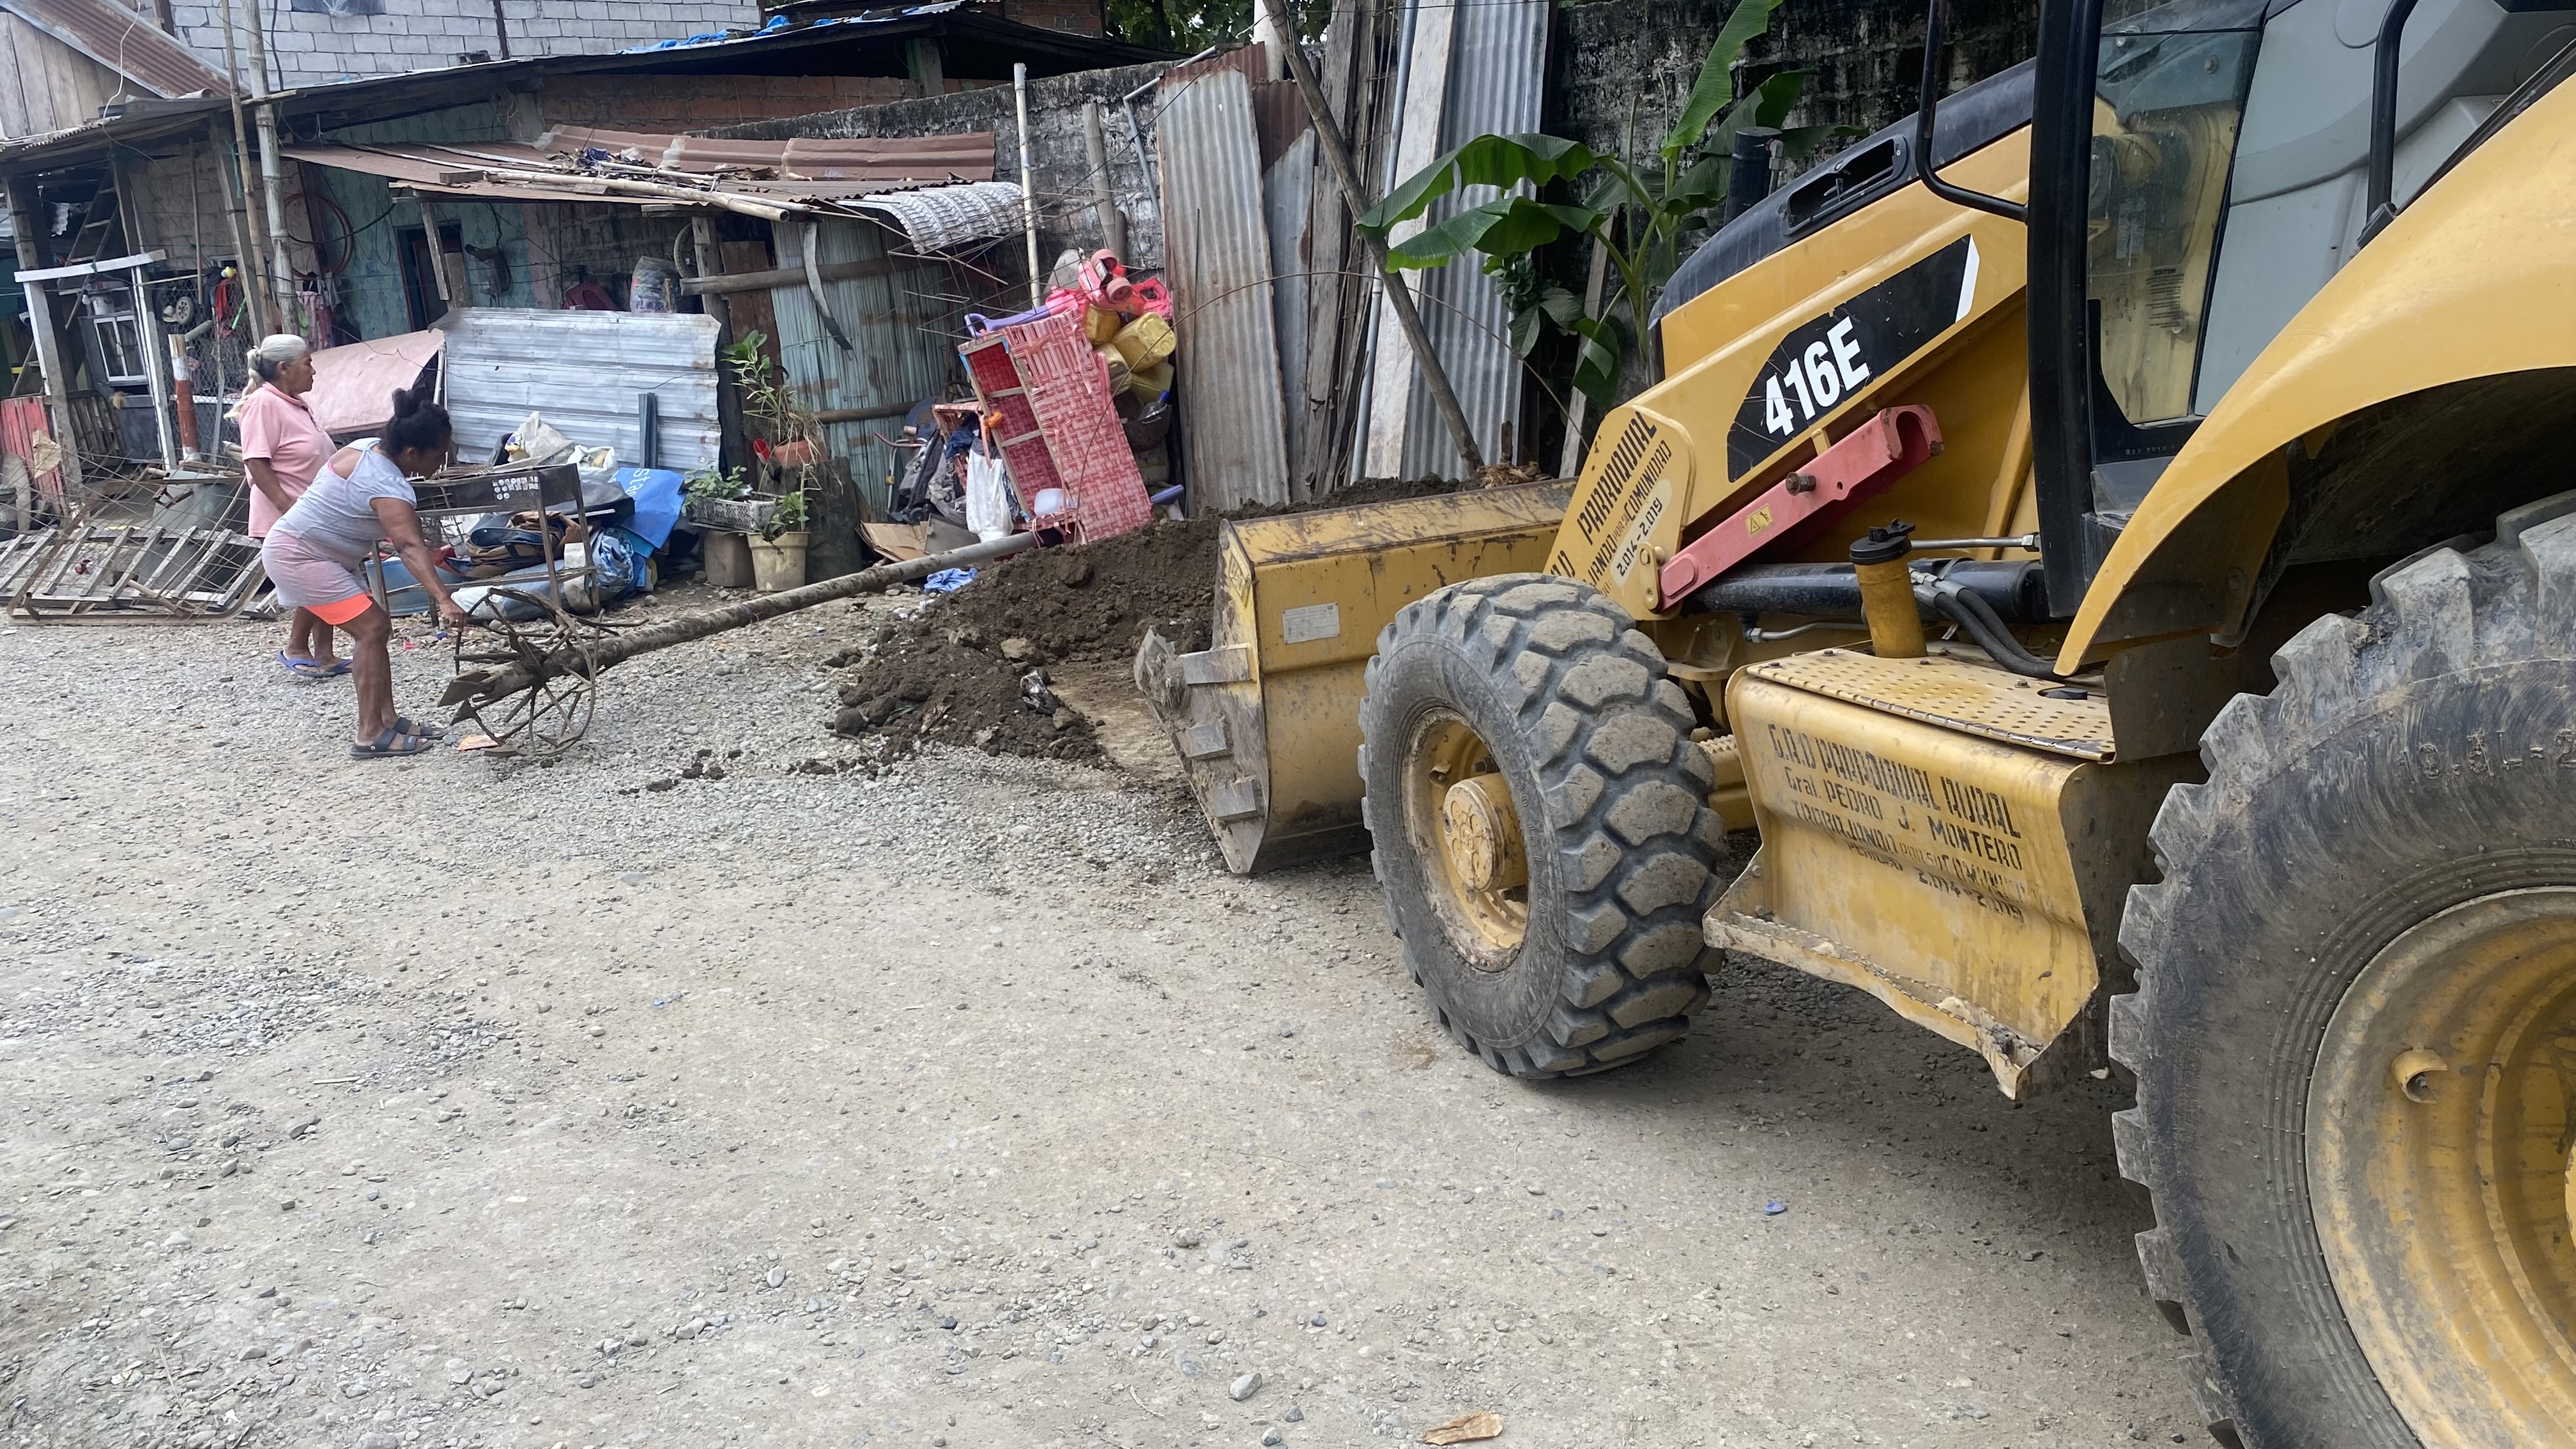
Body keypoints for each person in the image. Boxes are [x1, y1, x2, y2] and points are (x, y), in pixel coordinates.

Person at [259, 385, 468, 758]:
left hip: (314, 552)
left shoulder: (365, 448)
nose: (442, 462)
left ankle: (387, 720)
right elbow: (408, 547)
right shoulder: (388, 485)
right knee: (372, 628)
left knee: (376, 628)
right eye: (439, 454)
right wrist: (444, 599)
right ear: (411, 453)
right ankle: (370, 733)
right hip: (299, 556)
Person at [237, 334, 343, 678]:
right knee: (318, 578)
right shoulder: (263, 404)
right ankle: (296, 647)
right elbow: (257, 463)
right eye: (308, 363)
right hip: (287, 515)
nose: (313, 370)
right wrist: (289, 508)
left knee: (329, 572)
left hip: (310, 511)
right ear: (284, 368)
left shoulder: (296, 403)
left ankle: (325, 653)